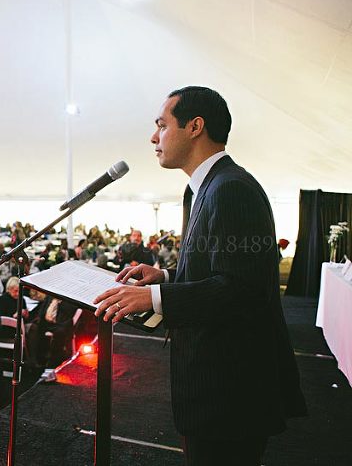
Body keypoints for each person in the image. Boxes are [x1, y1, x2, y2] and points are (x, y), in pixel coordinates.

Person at [94, 86, 306, 466]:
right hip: (215, 388)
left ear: (195, 127)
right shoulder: (206, 188)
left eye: (162, 125)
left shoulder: (231, 190)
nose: (153, 137)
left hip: (230, 394)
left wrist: (154, 298)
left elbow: (242, 290)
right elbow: (222, 268)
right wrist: (166, 275)